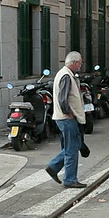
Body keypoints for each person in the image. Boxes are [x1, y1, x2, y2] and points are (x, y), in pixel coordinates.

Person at [45, 51, 88, 188]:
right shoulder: (66, 76)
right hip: (66, 118)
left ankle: (54, 167)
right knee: (71, 149)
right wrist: (68, 112)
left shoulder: (65, 74)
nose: (80, 66)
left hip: (65, 118)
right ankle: (69, 179)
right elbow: (63, 97)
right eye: (80, 63)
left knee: (73, 146)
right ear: (74, 63)